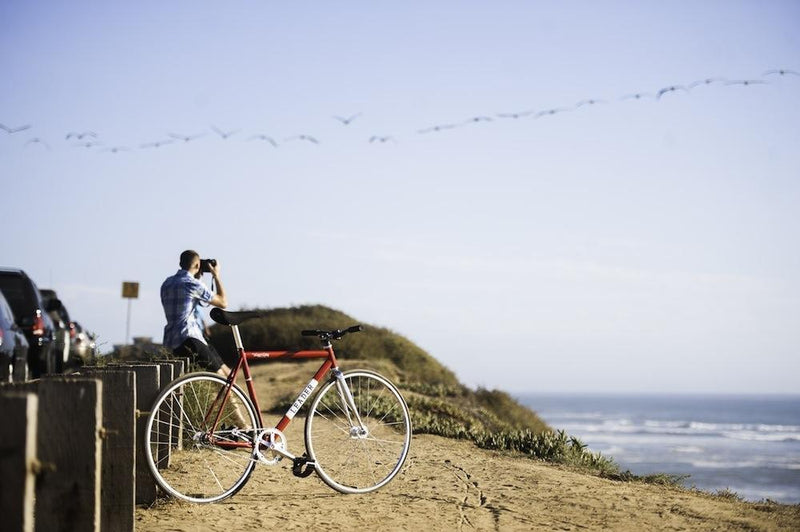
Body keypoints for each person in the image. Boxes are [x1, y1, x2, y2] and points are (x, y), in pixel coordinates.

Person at [161, 250, 231, 376]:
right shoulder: (192, 284)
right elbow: (223, 302)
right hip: (189, 338)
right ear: (198, 265)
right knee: (222, 378)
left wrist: (198, 278)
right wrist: (216, 275)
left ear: (180, 263)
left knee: (228, 374)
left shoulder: (167, 283)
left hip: (172, 340)